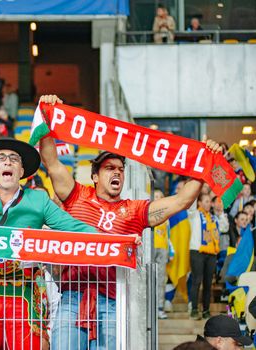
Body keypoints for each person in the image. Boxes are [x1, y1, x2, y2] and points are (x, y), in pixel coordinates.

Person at [38, 95, 222, 349]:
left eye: (121, 169)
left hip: (113, 300)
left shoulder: (135, 210)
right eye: (109, 168)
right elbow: (51, 162)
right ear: (94, 175)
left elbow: (181, 201)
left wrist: (203, 165)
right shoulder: (76, 195)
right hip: (72, 297)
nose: (117, 172)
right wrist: (47, 116)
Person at [0, 138, 101, 350]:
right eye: (1, 158)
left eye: (14, 159)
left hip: (25, 292)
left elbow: (73, 226)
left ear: (22, 171)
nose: (7, 162)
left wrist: (113, 239)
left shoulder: (38, 200)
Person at [189, 193, 220, 320]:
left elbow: (224, 227)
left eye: (209, 201)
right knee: (197, 281)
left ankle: (206, 310)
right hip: (197, 251)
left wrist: (221, 213)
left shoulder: (214, 218)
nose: (208, 204)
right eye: (206, 201)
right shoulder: (194, 215)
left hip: (211, 253)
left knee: (208, 283)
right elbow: (190, 206)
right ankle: (195, 309)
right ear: (199, 203)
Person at [153, 189, 170, 319]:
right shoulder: (149, 212)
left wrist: (170, 250)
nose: (158, 198)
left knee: (161, 280)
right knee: (149, 278)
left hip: (162, 249)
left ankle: (160, 307)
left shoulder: (166, 215)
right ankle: (150, 307)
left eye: (160, 196)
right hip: (151, 249)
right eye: (155, 196)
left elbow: (168, 235)